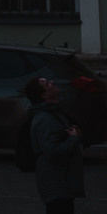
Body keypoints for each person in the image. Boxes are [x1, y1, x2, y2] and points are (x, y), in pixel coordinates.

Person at [25, 75, 86, 214]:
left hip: (61, 181)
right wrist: (74, 139)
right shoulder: (45, 119)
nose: (53, 82)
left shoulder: (53, 112)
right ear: (45, 95)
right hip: (57, 183)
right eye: (48, 84)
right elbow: (52, 152)